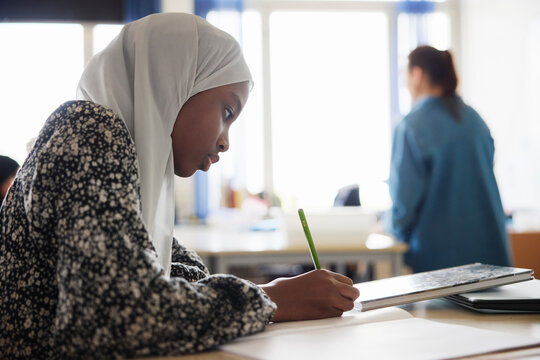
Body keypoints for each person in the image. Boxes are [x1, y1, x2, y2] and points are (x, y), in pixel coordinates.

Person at [0, 13, 359, 359]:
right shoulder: (89, 131)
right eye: (227, 113)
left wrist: (264, 296)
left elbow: (182, 279)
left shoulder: (132, 175)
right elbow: (118, 317)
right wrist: (273, 299)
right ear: (172, 82)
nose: (225, 142)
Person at [385, 45, 511, 273]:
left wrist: (387, 226)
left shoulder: (411, 126)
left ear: (418, 75)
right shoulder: (475, 120)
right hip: (492, 257)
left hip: (441, 264)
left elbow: (404, 207)